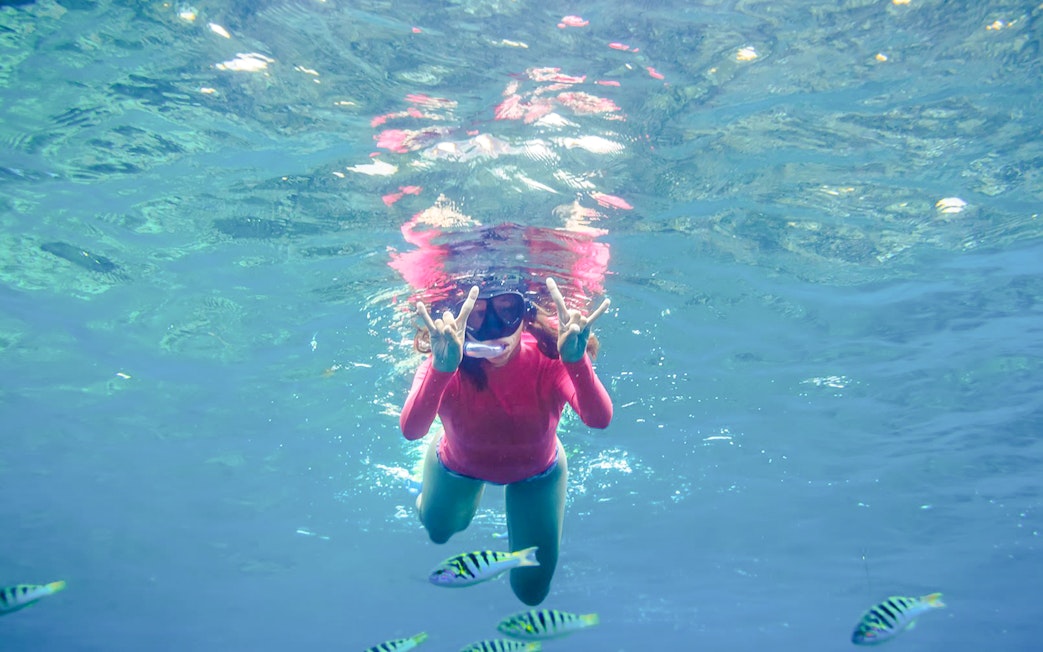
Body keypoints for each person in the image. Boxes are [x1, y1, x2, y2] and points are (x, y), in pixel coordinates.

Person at [399, 276, 613, 605]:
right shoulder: (447, 360)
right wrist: (440, 370)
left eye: (506, 311)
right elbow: (412, 430)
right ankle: (425, 487)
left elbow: (599, 419)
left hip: (539, 473)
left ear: (524, 315)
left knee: (531, 591)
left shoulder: (550, 359)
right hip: (457, 465)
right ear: (463, 321)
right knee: (438, 529)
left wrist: (576, 360)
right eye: (478, 316)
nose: (494, 329)